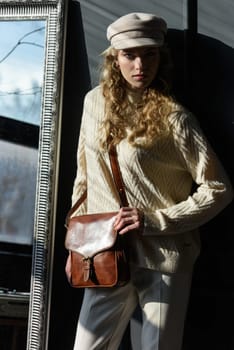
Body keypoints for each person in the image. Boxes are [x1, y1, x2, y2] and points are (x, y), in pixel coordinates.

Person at [68, 12, 233, 350]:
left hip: (165, 257)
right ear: (115, 57)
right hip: (105, 251)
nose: (140, 64)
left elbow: (219, 189)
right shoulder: (93, 103)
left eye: (150, 53)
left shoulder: (176, 119)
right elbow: (83, 174)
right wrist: (77, 231)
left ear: (161, 56)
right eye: (130, 54)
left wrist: (154, 220)